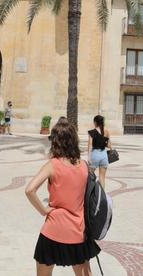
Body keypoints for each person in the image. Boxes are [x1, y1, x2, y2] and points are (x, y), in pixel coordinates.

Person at [25, 121, 99, 275]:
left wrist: (44, 211)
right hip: (78, 231)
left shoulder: (53, 165)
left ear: (56, 142)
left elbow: (30, 190)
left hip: (53, 229)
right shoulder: (85, 166)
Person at [88, 115, 110, 189]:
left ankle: (91, 195)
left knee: (90, 176)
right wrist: (102, 142)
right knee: (102, 178)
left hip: (95, 154)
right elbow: (109, 145)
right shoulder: (106, 131)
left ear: (95, 122)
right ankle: (102, 196)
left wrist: (89, 157)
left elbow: (90, 145)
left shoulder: (92, 132)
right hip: (104, 155)